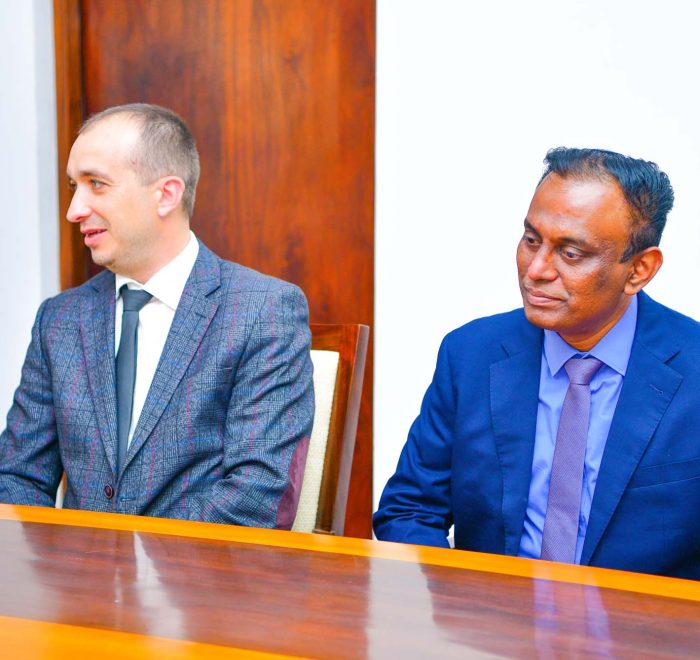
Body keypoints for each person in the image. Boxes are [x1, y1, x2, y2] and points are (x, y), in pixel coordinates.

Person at [374, 147, 700, 579]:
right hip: (494, 614)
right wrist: (463, 599)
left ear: (639, 269)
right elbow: (409, 509)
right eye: (532, 240)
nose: (536, 270)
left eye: (571, 253)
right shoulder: (472, 354)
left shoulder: (692, 369)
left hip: (643, 619)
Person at [0, 103, 314, 528]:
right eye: (74, 186)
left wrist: (128, 557)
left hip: (198, 570)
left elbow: (256, 497)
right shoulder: (59, 320)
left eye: (96, 184)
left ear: (166, 194)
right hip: (73, 570)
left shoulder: (263, 311)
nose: (74, 209)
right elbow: (17, 477)